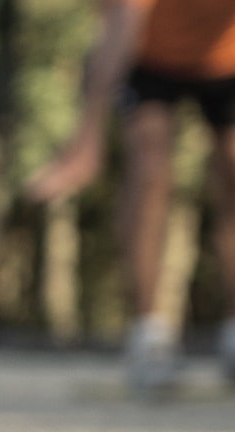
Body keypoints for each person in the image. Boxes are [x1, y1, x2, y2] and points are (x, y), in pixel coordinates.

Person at [27, 0, 235, 390]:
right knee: (149, 166)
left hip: (228, 56)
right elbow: (121, 22)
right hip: (149, 54)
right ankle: (148, 335)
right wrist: (87, 138)